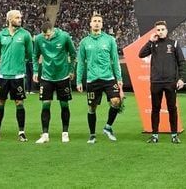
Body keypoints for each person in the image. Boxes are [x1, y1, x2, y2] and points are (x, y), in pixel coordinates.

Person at [75, 13, 123, 144]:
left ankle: (108, 127)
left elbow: (115, 60)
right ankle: (92, 135)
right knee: (92, 108)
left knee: (116, 101)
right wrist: (78, 80)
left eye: (99, 21)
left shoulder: (109, 40)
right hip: (92, 79)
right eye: (94, 21)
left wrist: (119, 78)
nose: (96, 23)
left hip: (108, 78)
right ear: (90, 24)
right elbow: (80, 62)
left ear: (102, 24)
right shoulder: (84, 42)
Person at [0, 9, 34, 142]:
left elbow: (29, 53)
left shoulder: (25, 35)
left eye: (20, 17)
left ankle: (21, 132)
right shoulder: (0, 35)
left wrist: (19, 64)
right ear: (9, 19)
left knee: (19, 102)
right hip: (3, 75)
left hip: (18, 75)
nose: (20, 19)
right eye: (17, 18)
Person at [139, 20, 185, 144]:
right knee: (155, 109)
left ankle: (174, 135)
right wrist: (149, 41)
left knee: (172, 109)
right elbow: (140, 54)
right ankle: (155, 135)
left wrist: (181, 78)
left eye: (162, 29)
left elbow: (181, 62)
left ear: (166, 30)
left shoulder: (174, 44)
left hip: (170, 82)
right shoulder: (153, 44)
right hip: (156, 82)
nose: (160, 32)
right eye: (158, 30)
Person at [34, 19, 76, 144]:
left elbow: (73, 54)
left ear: (53, 31)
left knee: (64, 105)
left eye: (48, 35)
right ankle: (45, 134)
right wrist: (36, 71)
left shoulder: (64, 37)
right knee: (45, 105)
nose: (46, 37)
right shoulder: (39, 39)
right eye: (44, 35)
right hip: (46, 77)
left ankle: (65, 133)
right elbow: (34, 55)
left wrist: (71, 70)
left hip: (62, 77)